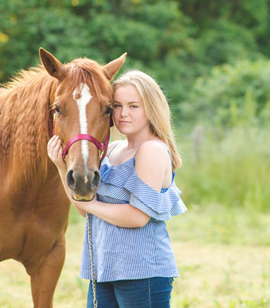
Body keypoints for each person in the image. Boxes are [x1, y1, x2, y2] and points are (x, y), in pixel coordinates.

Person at [47, 70, 187, 308]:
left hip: (142, 272)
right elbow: (86, 210)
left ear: (151, 108)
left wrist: (90, 204)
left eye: (134, 106)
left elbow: (137, 217)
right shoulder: (112, 150)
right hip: (103, 269)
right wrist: (62, 169)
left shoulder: (151, 150)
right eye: (117, 106)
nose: (123, 114)